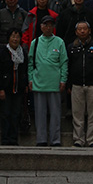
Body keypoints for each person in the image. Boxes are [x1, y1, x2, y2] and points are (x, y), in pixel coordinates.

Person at [28, 15, 68, 146]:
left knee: (55, 113)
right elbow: (30, 63)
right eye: (45, 25)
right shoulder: (35, 43)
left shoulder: (59, 42)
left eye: (50, 25)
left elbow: (64, 63)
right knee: (40, 114)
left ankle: (55, 139)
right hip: (39, 82)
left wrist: (63, 79)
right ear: (41, 27)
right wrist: (30, 79)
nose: (48, 27)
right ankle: (41, 139)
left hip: (55, 82)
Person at [66, 21, 93, 147]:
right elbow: (68, 66)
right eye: (80, 29)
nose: (82, 31)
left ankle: (92, 140)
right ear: (76, 32)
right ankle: (78, 140)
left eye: (85, 29)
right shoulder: (71, 47)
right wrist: (69, 85)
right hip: (76, 85)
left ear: (89, 31)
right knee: (77, 115)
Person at [0, 27, 28, 145]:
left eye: (17, 37)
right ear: (8, 38)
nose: (15, 39)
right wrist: (0, 89)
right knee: (5, 114)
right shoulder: (2, 53)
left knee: (16, 114)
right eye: (13, 36)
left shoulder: (23, 53)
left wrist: (25, 84)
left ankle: (14, 139)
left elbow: (25, 71)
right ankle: (5, 139)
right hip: (6, 89)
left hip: (18, 89)